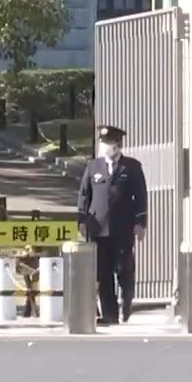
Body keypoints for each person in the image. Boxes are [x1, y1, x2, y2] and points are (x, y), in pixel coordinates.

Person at [77, 124, 149, 324]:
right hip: (98, 228)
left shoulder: (131, 167)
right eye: (102, 142)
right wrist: (82, 220)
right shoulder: (93, 166)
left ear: (118, 144)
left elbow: (141, 197)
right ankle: (109, 314)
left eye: (108, 143)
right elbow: (84, 195)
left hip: (122, 227)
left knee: (123, 269)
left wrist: (140, 223)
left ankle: (126, 303)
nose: (104, 146)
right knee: (103, 272)